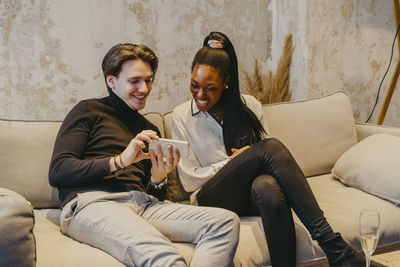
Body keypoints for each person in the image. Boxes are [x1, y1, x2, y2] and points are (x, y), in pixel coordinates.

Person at [171, 32, 384, 267]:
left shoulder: (249, 106)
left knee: (268, 186)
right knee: (270, 147)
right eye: (194, 85)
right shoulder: (182, 115)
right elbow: (190, 180)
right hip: (209, 200)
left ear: (226, 82)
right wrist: (234, 162)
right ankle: (336, 250)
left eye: (210, 88)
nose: (200, 94)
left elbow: (269, 167)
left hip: (249, 195)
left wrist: (249, 158)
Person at [48, 43, 240, 267]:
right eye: (134, 81)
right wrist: (120, 161)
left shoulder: (149, 129)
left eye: (148, 80)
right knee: (165, 257)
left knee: (225, 222)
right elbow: (58, 171)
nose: (144, 88)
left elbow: (151, 192)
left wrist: (157, 177)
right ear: (112, 81)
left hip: (142, 204)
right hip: (94, 204)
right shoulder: (88, 111)